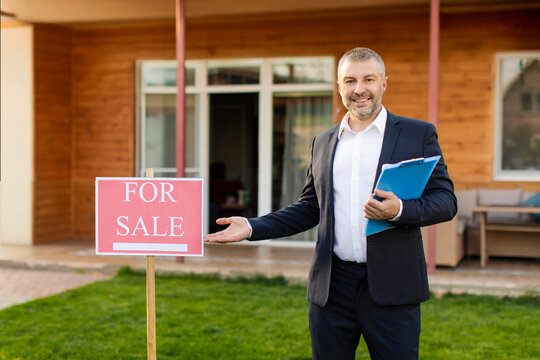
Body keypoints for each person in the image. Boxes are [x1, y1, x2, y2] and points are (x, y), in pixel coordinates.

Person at [205, 47, 457, 360]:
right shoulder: (323, 141)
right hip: (332, 286)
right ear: (339, 86)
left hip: (393, 284)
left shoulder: (416, 134)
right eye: (349, 81)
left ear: (384, 83)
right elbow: (310, 207)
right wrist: (253, 227)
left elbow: (446, 201)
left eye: (368, 79)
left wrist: (400, 210)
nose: (359, 89)